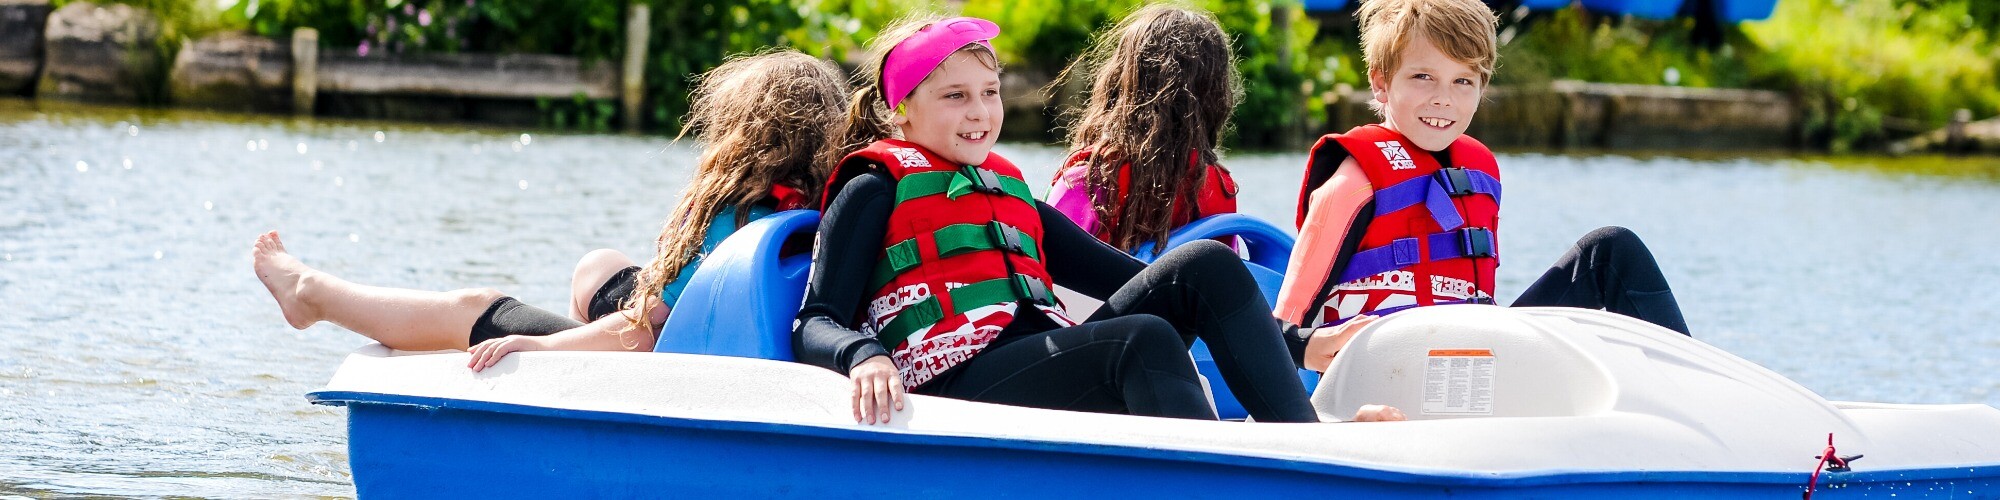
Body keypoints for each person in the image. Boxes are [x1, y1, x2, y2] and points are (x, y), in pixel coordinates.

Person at [794, 14, 1395, 426]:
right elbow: (816, 320)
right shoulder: (875, 188)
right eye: (954, 96)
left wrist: (1297, 340)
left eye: (990, 92)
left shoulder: (1007, 192)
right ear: (901, 111)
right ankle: (1219, 471)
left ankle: (1306, 441)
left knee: (1202, 265)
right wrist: (863, 355)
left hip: (1042, 358)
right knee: (1142, 339)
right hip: (956, 387)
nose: (980, 112)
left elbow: (1126, 277)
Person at [251, 50, 848, 370]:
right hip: (737, 340)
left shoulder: (733, 217)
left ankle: (312, 295)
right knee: (601, 266)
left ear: (737, 136)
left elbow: (645, 331)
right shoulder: (823, 205)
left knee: (473, 308)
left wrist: (542, 351)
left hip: (666, 366)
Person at [1274, 0, 1692, 342]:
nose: (1444, 100)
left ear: (1482, 88)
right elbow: (1282, 329)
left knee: (1611, 250)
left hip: (1474, 356)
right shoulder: (1352, 185)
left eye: (1463, 82)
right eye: (1423, 77)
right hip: (1385, 370)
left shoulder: (1479, 169)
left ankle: (1695, 390)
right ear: (1381, 83)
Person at [1043, 4, 1239, 255]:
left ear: (1118, 83)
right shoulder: (1220, 188)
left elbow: (1042, 274)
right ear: (1216, 99)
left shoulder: (1088, 181)